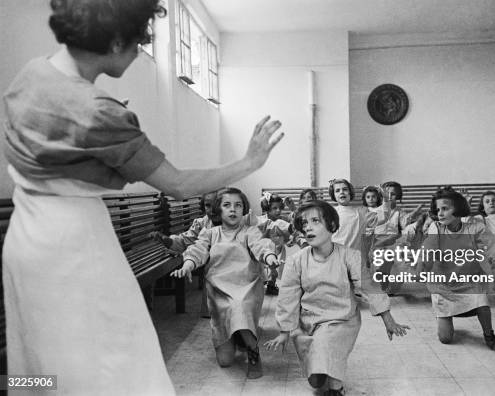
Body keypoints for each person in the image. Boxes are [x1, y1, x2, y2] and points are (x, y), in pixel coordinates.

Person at [1, 1, 283, 394]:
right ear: (115, 40)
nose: (139, 51)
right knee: (109, 355)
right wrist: (249, 161)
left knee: (42, 349)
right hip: (73, 245)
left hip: (26, 236)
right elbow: (179, 184)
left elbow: (50, 156)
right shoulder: (100, 113)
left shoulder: (32, 73)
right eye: (138, 42)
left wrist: (109, 145)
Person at [264, 200, 408, 395]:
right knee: (316, 380)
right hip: (308, 321)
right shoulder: (296, 261)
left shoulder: (349, 256)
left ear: (331, 226)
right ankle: (323, 372)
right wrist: (284, 331)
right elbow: (288, 297)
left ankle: (336, 390)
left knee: (329, 346)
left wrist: (387, 318)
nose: (308, 227)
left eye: (315, 221)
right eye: (304, 224)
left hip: (342, 319)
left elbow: (369, 287)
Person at [170, 188, 279, 379]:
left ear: (243, 208)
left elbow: (262, 246)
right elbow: (197, 251)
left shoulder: (250, 232)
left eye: (238, 205)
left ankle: (253, 350)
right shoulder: (210, 233)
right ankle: (237, 335)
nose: (233, 210)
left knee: (238, 307)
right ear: (218, 210)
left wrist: (270, 258)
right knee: (225, 361)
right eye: (227, 205)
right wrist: (187, 266)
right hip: (219, 291)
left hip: (246, 288)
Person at [420, 188, 495, 353]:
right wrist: (423, 265)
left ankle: (490, 337)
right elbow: (429, 248)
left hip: (470, 280)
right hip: (443, 284)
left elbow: (491, 244)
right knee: (445, 339)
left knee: (482, 304)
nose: (440, 213)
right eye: (438, 209)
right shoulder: (436, 228)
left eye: (445, 209)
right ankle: (447, 318)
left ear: (458, 209)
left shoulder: (475, 227)